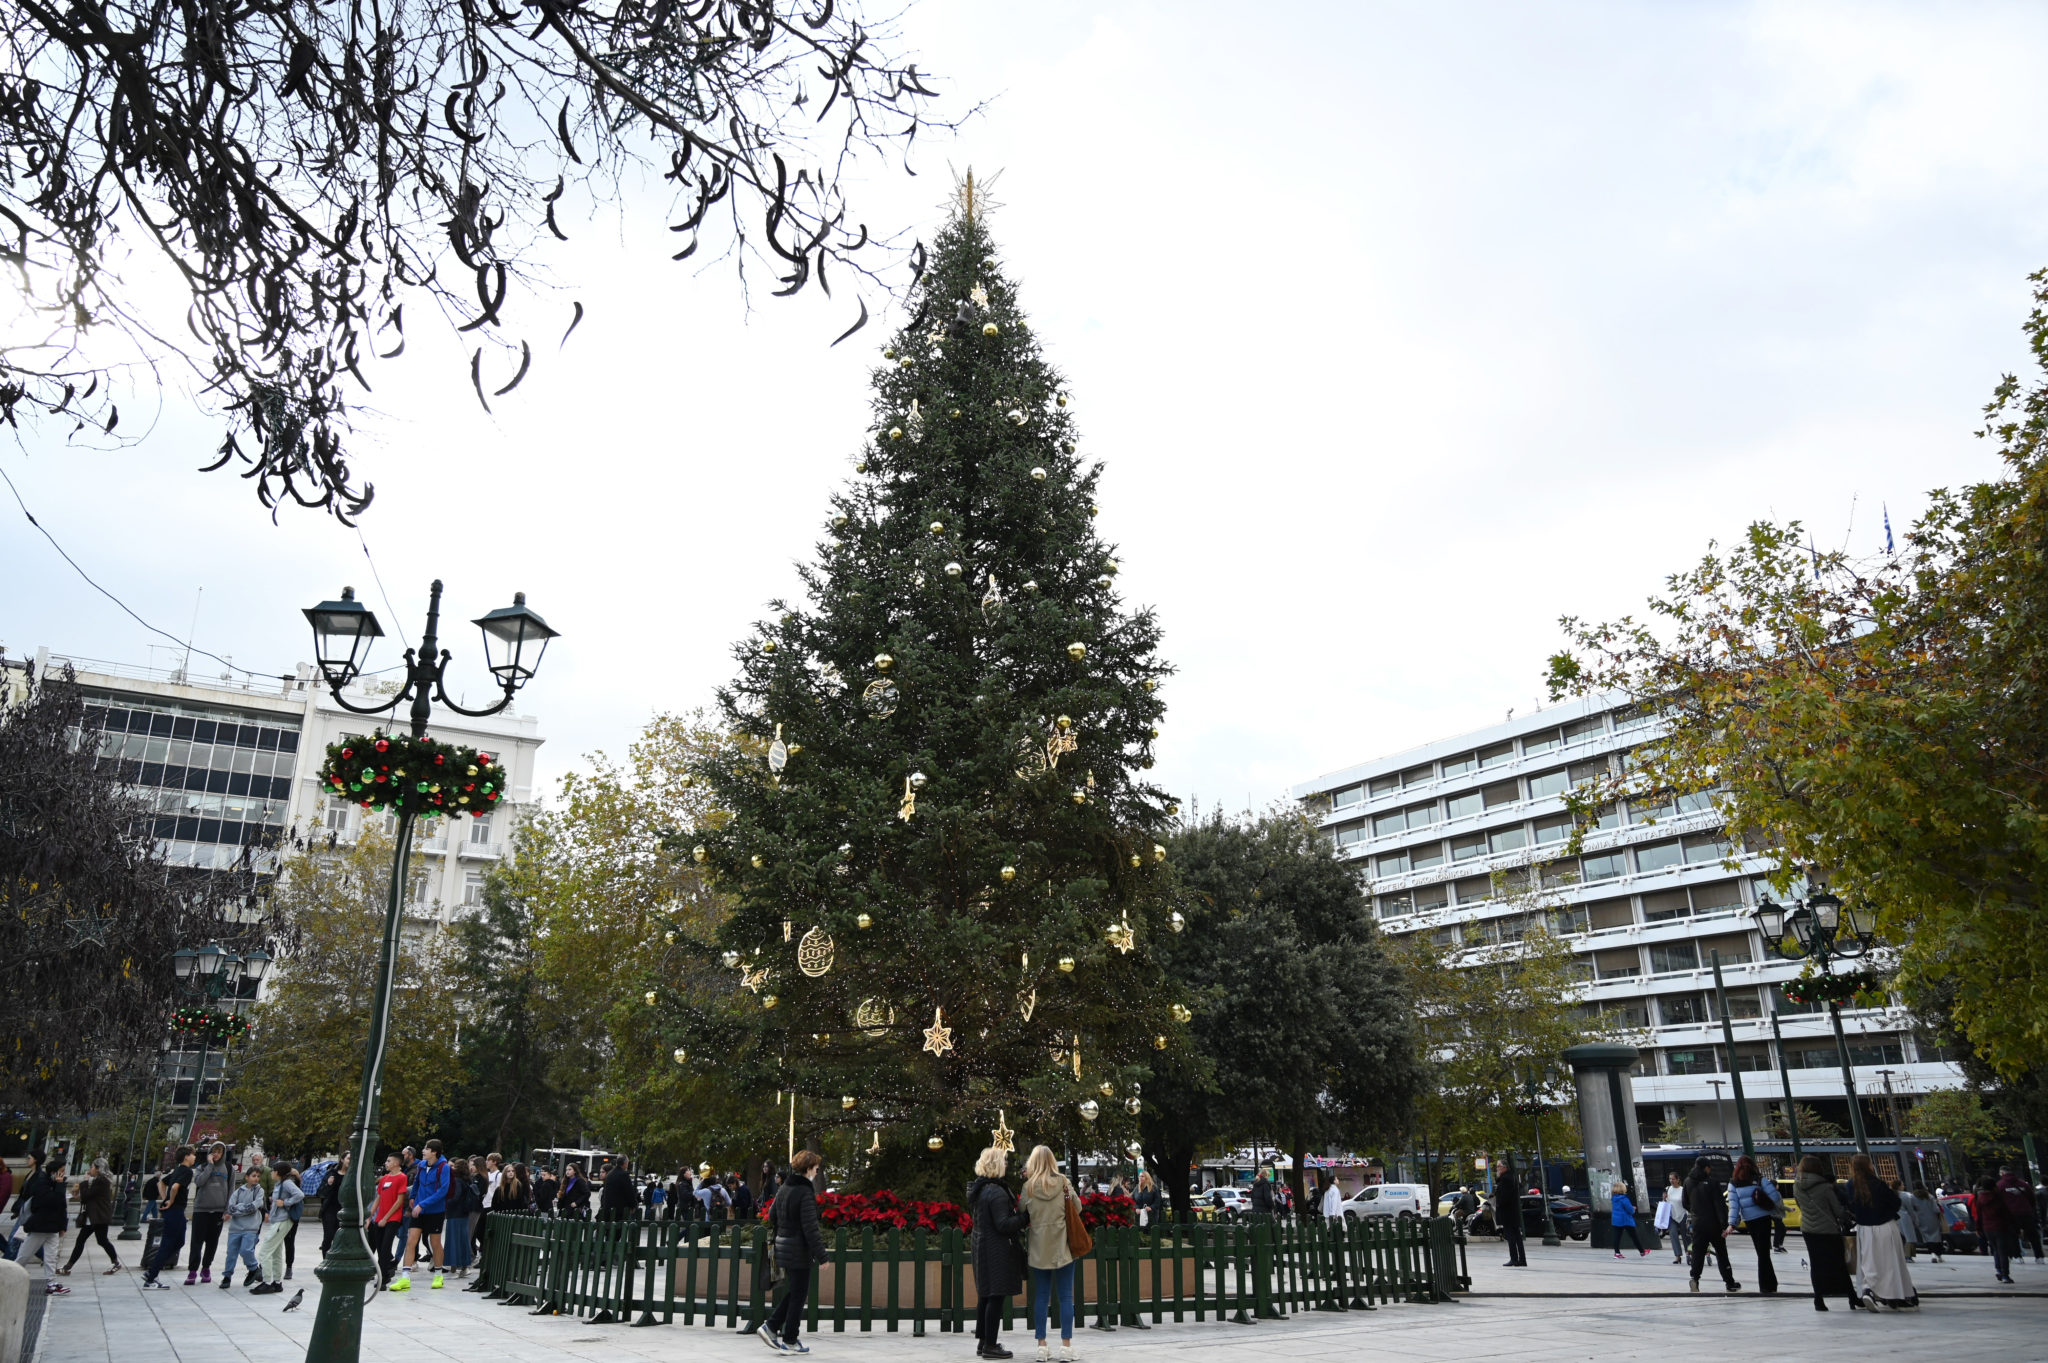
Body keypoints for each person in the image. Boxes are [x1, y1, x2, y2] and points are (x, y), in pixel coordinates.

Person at [760, 1151, 828, 1354]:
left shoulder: (785, 1187)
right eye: (816, 1168)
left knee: (796, 1292)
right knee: (798, 1295)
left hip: (783, 1247)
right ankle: (788, 1339)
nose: (817, 1171)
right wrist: (822, 1255)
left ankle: (772, 1327)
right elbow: (810, 1227)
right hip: (798, 1250)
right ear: (808, 1168)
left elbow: (771, 1215)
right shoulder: (805, 1191)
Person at [968, 1146, 1029, 1361]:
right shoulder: (996, 1192)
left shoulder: (981, 1189)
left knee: (985, 1295)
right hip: (996, 1251)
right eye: (1003, 1161)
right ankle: (991, 1346)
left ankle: (983, 1342)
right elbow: (1003, 1224)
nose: (1005, 1164)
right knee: (995, 1296)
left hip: (982, 1247)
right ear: (996, 1165)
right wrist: (1025, 1218)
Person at [1020, 1145, 1080, 1362]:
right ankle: (1066, 1346)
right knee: (1066, 1297)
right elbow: (1078, 1208)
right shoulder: (1064, 1182)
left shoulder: (1028, 1187)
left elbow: (1021, 1211)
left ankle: (1041, 1346)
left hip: (1038, 1249)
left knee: (1041, 1297)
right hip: (1063, 1247)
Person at [1844, 1152, 1916, 1308]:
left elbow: (1850, 1207)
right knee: (1891, 1262)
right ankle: (1895, 1294)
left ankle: (1868, 1289)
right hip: (1885, 1226)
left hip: (1864, 1228)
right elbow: (1895, 1202)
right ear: (1869, 1166)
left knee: (1868, 1262)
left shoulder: (1850, 1185)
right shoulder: (1878, 1183)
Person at [1792, 1154, 1860, 1312]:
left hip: (1808, 1230)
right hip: (1828, 1230)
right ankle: (1852, 1297)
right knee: (1839, 1264)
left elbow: (1801, 1205)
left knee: (1816, 1265)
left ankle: (1819, 1300)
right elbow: (1837, 1210)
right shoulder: (1825, 1186)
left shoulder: (1796, 1185)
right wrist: (1847, 1216)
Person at [142, 1146, 197, 1290]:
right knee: (169, 1243)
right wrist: (170, 1200)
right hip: (176, 1210)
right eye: (193, 1155)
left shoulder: (177, 1170)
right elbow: (174, 1188)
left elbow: (161, 1183)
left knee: (179, 1241)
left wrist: (165, 1198)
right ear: (186, 1156)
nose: (195, 1157)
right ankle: (151, 1277)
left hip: (174, 1211)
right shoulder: (186, 1171)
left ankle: (153, 1271)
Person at [398, 1139, 451, 1290]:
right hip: (419, 1210)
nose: (423, 1151)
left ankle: (438, 1275)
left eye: (426, 1149)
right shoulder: (421, 1165)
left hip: (435, 1211)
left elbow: (443, 1191)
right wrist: (413, 1197)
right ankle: (405, 1278)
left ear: (434, 1152)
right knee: (411, 1241)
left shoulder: (444, 1167)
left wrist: (423, 1204)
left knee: (435, 1243)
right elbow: (417, 1183)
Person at [1725, 1155, 1781, 1294]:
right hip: (1763, 1217)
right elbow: (1775, 1196)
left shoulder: (1733, 1183)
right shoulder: (1760, 1179)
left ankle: (1769, 1284)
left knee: (1760, 1252)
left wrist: (1732, 1224)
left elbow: (1734, 1205)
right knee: (1764, 1253)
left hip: (1749, 1221)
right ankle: (1767, 1285)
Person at [1683, 1158, 1739, 1292]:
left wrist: (1695, 1212)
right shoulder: (1712, 1182)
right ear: (1706, 1168)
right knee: (1721, 1253)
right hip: (1714, 1224)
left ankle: (1695, 1279)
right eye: (1709, 1167)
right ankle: (1729, 1282)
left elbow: (1685, 1202)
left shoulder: (1687, 1182)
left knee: (1698, 1252)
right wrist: (1724, 1224)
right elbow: (1719, 1205)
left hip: (1698, 1224)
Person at [15, 1160, 71, 1296]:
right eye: (61, 1171)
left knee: (51, 1257)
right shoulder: (42, 1183)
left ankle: (51, 1282)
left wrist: (63, 1226)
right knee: (24, 1255)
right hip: (40, 1226)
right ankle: (9, 1275)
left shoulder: (57, 1184)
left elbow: (62, 1206)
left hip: (53, 1227)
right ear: (54, 1171)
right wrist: (59, 1186)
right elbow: (51, 1201)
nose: (63, 1174)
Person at [60, 1159, 121, 1275]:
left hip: (97, 1216)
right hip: (97, 1216)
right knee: (100, 1240)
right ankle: (115, 1262)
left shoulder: (101, 1181)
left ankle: (68, 1267)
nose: (90, 1170)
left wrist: (85, 1182)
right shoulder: (101, 1180)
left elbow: (87, 1196)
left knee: (90, 1240)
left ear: (98, 1168)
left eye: (92, 1167)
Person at [185, 1141, 232, 1284]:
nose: (217, 1154)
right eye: (214, 1151)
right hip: (201, 1209)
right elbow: (199, 1182)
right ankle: (192, 1270)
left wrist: (227, 1209)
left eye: (219, 1151)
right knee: (196, 1241)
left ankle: (206, 1267)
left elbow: (230, 1190)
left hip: (218, 1210)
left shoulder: (228, 1168)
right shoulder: (202, 1167)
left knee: (212, 1242)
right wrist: (210, 1165)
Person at [251, 1163, 300, 1295]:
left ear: (277, 1172)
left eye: (273, 1170)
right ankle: (277, 1283)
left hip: (282, 1221)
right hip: (278, 1220)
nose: (271, 1172)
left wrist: (285, 1203)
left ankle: (267, 1282)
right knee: (276, 1253)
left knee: (265, 1252)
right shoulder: (280, 1184)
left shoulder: (287, 1183)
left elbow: (299, 1195)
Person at [221, 1167, 266, 1289]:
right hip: (235, 1228)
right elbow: (231, 1208)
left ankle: (253, 1268)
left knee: (246, 1250)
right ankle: (227, 1276)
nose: (256, 1178)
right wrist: (244, 1208)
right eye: (253, 1176)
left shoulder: (259, 1191)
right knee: (231, 1253)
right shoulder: (238, 1191)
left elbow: (255, 1206)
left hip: (251, 1227)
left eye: (258, 1176)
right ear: (247, 1177)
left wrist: (239, 1208)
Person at [371, 1153, 408, 1288]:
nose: (386, 1163)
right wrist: (370, 1216)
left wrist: (386, 1218)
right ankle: (385, 1274)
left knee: (386, 1247)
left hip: (392, 1218)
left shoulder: (402, 1177)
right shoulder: (384, 1179)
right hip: (380, 1218)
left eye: (388, 1161)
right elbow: (378, 1199)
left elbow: (399, 1201)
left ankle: (382, 1279)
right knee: (380, 1247)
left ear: (397, 1163)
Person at [1975, 1173, 2018, 1283]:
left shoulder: (1980, 1198)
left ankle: (1998, 1270)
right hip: (2000, 1226)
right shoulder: (1998, 1197)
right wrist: (2014, 1225)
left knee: (1995, 1250)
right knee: (2002, 1251)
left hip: (1987, 1227)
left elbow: (1978, 1215)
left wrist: (1978, 1228)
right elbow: (2006, 1213)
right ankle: (2005, 1275)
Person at [1995, 1165, 2043, 1264]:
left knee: (2012, 1236)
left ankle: (2017, 1256)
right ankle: (2039, 1257)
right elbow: (2032, 1198)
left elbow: (1997, 1201)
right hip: (2026, 1212)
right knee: (2033, 1236)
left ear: (2002, 1173)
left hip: (2010, 1214)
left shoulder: (2000, 1185)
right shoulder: (2023, 1184)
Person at [442, 1158, 477, 1279]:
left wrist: (444, 1202)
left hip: (455, 1214)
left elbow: (454, 1197)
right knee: (462, 1241)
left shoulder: (456, 1181)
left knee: (453, 1241)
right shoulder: (466, 1180)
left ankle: (454, 1268)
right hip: (463, 1214)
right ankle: (464, 1266)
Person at [1494, 1159, 1525, 1267]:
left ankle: (1514, 1259)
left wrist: (1499, 1203)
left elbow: (1504, 1197)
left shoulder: (1506, 1179)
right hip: (1512, 1212)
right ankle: (1521, 1259)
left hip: (1508, 1213)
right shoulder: (1511, 1178)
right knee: (1517, 1236)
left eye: (1498, 1166)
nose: (1497, 1168)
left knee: (1510, 1236)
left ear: (1504, 1167)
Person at [1655, 1172, 1690, 1264]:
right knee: (1673, 1235)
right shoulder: (1667, 1189)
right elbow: (1665, 1203)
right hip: (1671, 1216)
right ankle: (1677, 1256)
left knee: (1685, 1236)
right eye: (1670, 1179)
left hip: (1682, 1214)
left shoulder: (1683, 1190)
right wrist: (1664, 1198)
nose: (1671, 1180)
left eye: (1673, 1179)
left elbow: (1687, 1202)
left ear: (1678, 1180)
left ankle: (1688, 1253)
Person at [318, 1155, 348, 1254]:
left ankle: (337, 1260)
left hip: (345, 1209)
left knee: (340, 1237)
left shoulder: (353, 1175)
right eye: (348, 1158)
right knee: (328, 1236)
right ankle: (326, 1260)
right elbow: (321, 1192)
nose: (350, 1161)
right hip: (330, 1208)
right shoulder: (332, 1173)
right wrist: (328, 1184)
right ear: (342, 1160)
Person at [1609, 1182, 1646, 1258]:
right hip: (1626, 1220)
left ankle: (1617, 1253)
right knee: (1634, 1236)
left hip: (1616, 1220)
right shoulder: (1624, 1199)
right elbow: (1630, 1210)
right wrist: (1633, 1208)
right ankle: (1642, 1251)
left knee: (1617, 1237)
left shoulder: (1614, 1198)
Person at [600, 1156, 637, 1221]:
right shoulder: (623, 1174)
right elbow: (629, 1191)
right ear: (625, 1163)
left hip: (608, 1208)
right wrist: (633, 1205)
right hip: (620, 1209)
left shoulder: (610, 1174)